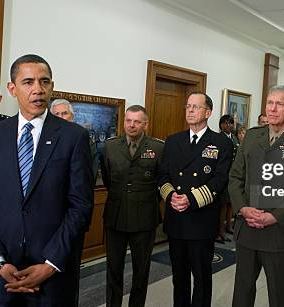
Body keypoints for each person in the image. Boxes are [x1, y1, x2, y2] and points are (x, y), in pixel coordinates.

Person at [0, 54, 93, 307]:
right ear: (12, 88)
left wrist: (50, 264)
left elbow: (80, 206)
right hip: (4, 274)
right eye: (28, 82)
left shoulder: (74, 137)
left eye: (44, 81)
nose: (38, 89)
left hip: (52, 272)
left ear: (52, 86)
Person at [228, 85, 284, 307]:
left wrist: (275, 216)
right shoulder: (251, 136)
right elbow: (235, 177)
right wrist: (242, 208)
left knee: (281, 294)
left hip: (281, 231)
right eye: (270, 103)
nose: (272, 109)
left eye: (279, 104)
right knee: (242, 291)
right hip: (248, 226)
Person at [158, 92, 232, 307]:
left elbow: (220, 180)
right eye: (188, 106)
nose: (190, 110)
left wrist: (190, 198)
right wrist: (172, 196)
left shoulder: (220, 143)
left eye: (195, 107)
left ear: (208, 113)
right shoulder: (173, 140)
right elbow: (163, 175)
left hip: (201, 219)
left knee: (201, 277)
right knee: (178, 277)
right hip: (176, 219)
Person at [101, 105, 164, 307]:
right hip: (115, 216)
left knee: (141, 270)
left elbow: (161, 182)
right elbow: (108, 178)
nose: (131, 125)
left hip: (144, 218)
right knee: (113, 269)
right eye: (128, 120)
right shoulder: (110, 146)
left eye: (137, 121)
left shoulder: (158, 148)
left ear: (146, 124)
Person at [50, 98, 99, 183]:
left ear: (72, 116)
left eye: (65, 113)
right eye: (56, 114)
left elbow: (90, 172)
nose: (60, 117)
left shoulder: (83, 138)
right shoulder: (45, 138)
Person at [218, 114, 238, 243]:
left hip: (233, 176)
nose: (228, 125)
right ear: (221, 125)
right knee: (223, 205)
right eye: (225, 123)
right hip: (223, 175)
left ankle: (229, 227)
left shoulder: (234, 138)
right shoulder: (218, 138)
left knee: (231, 204)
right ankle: (219, 231)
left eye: (230, 123)